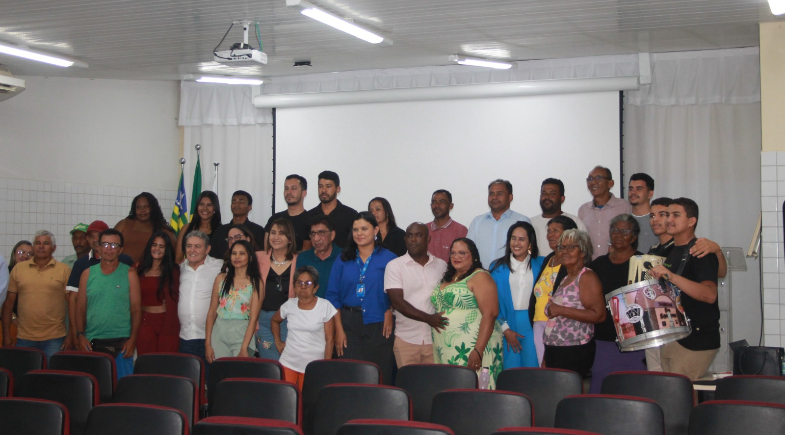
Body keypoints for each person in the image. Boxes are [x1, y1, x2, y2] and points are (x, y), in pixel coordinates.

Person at [649, 198, 720, 380]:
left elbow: (710, 295)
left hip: (695, 340)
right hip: (674, 336)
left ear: (691, 221)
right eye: (667, 215)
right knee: (669, 394)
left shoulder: (700, 251)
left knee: (678, 397)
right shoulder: (671, 251)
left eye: (676, 215)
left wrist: (672, 277)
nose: (668, 220)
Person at [327, 212, 397, 384]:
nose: (359, 233)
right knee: (351, 375)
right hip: (348, 324)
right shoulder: (343, 258)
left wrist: (390, 310)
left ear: (375, 230)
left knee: (379, 375)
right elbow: (333, 296)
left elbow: (399, 293)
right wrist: (338, 329)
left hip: (379, 322)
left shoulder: (390, 259)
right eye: (355, 229)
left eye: (364, 229)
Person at [431, 238, 503, 387]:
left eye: (462, 253)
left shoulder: (480, 277)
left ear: (474, 256)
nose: (456, 257)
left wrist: (478, 350)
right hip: (446, 348)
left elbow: (490, 314)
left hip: (472, 347)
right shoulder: (448, 277)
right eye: (453, 253)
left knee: (474, 390)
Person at [588, 214, 646, 393]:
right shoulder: (598, 264)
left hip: (635, 340)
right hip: (603, 339)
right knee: (601, 390)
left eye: (625, 231)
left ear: (634, 237)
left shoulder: (644, 263)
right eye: (614, 230)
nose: (618, 235)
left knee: (633, 391)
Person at [76, 229, 141, 378]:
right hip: (92, 343)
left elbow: (136, 309)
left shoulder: (130, 274)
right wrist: (80, 335)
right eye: (105, 244)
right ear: (98, 247)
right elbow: (80, 308)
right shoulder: (87, 274)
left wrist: (133, 339)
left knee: (122, 392)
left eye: (113, 245)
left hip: (122, 344)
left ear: (121, 249)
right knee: (96, 391)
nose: (109, 249)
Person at [542, 229, 606, 378]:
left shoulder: (586, 277)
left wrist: (561, 310)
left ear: (583, 251)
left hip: (574, 351)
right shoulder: (566, 278)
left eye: (571, 247)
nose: (564, 251)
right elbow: (554, 322)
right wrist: (546, 356)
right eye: (561, 247)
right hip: (555, 351)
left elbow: (599, 315)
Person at [385, 223, 448, 367]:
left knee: (434, 387)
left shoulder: (442, 266)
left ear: (428, 239)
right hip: (406, 340)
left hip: (436, 339)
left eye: (419, 235)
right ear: (405, 239)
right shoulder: (395, 266)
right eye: (409, 235)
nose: (413, 240)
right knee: (408, 386)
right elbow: (397, 302)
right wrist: (429, 319)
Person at [2, 231, 71, 361]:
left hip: (55, 338)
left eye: (46, 243)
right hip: (24, 337)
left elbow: (72, 305)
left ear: (54, 248)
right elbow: (8, 304)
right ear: (33, 247)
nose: (41, 246)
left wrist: (72, 335)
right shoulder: (18, 269)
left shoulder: (64, 270)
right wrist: (6, 334)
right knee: (25, 377)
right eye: (37, 243)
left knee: (52, 378)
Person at [490, 222, 544, 369]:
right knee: (510, 372)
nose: (516, 243)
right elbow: (493, 302)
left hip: (533, 325)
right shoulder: (496, 267)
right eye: (513, 238)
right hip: (506, 324)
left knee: (532, 370)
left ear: (530, 243)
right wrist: (505, 329)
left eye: (521, 239)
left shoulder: (542, 264)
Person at [67, 221, 134, 340]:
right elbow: (75, 301)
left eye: (99, 236)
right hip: (90, 333)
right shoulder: (82, 265)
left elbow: (135, 305)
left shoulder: (125, 262)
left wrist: (132, 338)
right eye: (91, 236)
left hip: (121, 333)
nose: (95, 240)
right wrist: (76, 333)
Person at [273, 266, 336, 390]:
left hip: (313, 365)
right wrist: (277, 341)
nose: (303, 286)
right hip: (288, 362)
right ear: (294, 286)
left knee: (307, 402)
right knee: (285, 398)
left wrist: (325, 366)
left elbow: (330, 340)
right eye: (299, 283)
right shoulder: (289, 305)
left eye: (308, 283)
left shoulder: (325, 306)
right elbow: (274, 320)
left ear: (315, 288)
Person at [530, 216, 578, 364]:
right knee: (542, 368)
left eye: (555, 231)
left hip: (561, 326)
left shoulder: (572, 261)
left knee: (557, 369)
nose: (550, 235)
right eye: (548, 231)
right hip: (539, 323)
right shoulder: (548, 258)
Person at [205, 240, 262, 361]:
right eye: (234, 253)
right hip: (219, 330)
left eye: (242, 253)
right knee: (221, 373)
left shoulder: (256, 282)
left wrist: (244, 348)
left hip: (243, 331)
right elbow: (211, 312)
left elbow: (253, 318)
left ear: (250, 257)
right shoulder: (221, 278)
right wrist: (208, 344)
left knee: (241, 375)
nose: (237, 257)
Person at [179, 231, 223, 367]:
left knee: (211, 380)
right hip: (186, 337)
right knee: (189, 381)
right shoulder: (180, 268)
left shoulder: (220, 266)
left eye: (197, 246)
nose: (192, 250)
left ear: (207, 249)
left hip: (211, 337)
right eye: (189, 246)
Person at [256, 219, 298, 360]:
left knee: (287, 365)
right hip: (263, 321)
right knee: (269, 366)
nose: (275, 237)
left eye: (281, 233)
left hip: (288, 321)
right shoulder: (258, 258)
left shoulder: (299, 260)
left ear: (290, 239)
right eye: (273, 233)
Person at [467, 179, 531, 269]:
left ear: (510, 197)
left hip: (510, 277)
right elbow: (467, 251)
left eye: (500, 194)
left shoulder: (522, 221)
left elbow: (528, 253)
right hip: (480, 278)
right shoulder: (477, 222)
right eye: (491, 194)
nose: (494, 197)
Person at [135, 231, 180, 354]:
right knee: (146, 365)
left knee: (165, 365)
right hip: (145, 324)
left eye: (162, 246)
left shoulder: (174, 271)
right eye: (154, 245)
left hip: (167, 324)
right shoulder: (139, 269)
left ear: (167, 250)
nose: (157, 249)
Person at [578, 166, 632, 259]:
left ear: (610, 183)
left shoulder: (624, 207)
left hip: (616, 264)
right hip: (590, 266)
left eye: (598, 178)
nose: (593, 182)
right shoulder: (583, 209)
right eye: (590, 179)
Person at [529, 178, 586, 256]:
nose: (547, 197)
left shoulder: (574, 221)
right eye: (544, 193)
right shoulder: (530, 223)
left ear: (562, 199)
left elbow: (584, 251)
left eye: (552, 193)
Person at [114, 192, 176, 263]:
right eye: (139, 207)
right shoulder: (124, 224)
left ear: (153, 208)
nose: (142, 210)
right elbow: (110, 244)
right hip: (122, 270)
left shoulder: (164, 230)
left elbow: (173, 256)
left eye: (146, 206)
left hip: (149, 272)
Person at [307, 171, 358, 248]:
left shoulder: (350, 215)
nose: (323, 190)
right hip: (316, 259)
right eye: (320, 186)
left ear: (338, 189)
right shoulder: (309, 215)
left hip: (344, 259)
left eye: (328, 186)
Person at [210, 190, 266, 259]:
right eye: (234, 202)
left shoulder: (258, 230)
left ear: (250, 207)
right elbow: (213, 256)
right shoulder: (220, 230)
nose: (236, 205)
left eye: (241, 202)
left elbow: (260, 255)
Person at [265, 174, 312, 252]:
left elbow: (307, 252)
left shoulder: (310, 220)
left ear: (304, 193)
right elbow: (267, 250)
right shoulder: (275, 219)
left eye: (294, 188)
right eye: (286, 188)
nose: (289, 192)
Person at [297, 216, 341, 298]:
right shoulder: (303, 258)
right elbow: (298, 288)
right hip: (309, 308)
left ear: (332, 235)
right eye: (313, 234)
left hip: (336, 308)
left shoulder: (344, 257)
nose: (316, 238)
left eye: (321, 233)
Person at [176, 191, 222, 263]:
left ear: (215, 208)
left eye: (209, 205)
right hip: (188, 271)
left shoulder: (221, 230)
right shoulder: (186, 228)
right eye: (201, 204)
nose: (205, 208)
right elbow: (178, 259)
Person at [0, 241, 31, 346]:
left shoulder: (35, 278)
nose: (25, 256)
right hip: (8, 325)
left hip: (29, 329)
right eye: (21, 252)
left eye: (30, 254)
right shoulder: (5, 273)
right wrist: (13, 318)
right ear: (14, 254)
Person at [427, 189, 468, 263]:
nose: (437, 205)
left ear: (451, 206)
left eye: (442, 202)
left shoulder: (460, 230)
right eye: (434, 202)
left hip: (452, 274)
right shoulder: (424, 229)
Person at [628, 173, 658, 252]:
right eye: (631, 189)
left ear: (650, 194)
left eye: (639, 189)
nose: (633, 192)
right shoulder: (623, 222)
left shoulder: (658, 221)